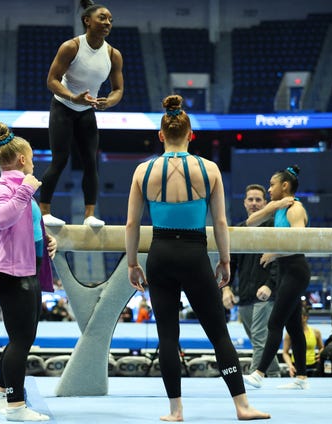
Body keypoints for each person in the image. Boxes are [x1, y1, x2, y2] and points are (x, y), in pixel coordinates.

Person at [125, 94, 269, 421]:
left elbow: (132, 223)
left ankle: (175, 410)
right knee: (218, 332)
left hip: (160, 254)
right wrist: (226, 260)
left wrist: (133, 262)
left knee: (167, 336)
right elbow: (220, 222)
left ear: (161, 135)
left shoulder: (143, 171)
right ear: (191, 135)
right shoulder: (210, 169)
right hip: (194, 254)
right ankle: (242, 406)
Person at [0, 122, 57, 421]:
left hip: (29, 269)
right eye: (33, 160)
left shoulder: (19, 189)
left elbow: (26, 224)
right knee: (21, 341)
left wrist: (45, 238)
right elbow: (2, 219)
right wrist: (27, 187)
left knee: (22, 338)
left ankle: (1, 388)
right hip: (12, 274)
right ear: (23, 160)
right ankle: (15, 405)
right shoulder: (1, 187)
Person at [40, 0, 124, 228]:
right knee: (60, 159)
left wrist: (109, 102)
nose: (108, 23)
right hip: (63, 108)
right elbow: (51, 81)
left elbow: (118, 90)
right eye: (102, 18)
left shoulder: (113, 54)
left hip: (87, 112)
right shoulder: (72, 47)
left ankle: (90, 215)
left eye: (110, 20)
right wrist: (71, 96)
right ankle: (44, 211)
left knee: (90, 162)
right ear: (87, 20)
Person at [243, 164, 312, 390]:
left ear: (285, 185)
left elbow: (300, 241)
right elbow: (250, 222)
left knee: (274, 322)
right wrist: (272, 206)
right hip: (286, 271)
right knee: (293, 327)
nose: (269, 189)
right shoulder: (280, 208)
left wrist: (274, 253)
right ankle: (301, 378)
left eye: (272, 185)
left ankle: (259, 373)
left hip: (295, 270)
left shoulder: (294, 209)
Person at [222, 184, 281, 377]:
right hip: (246, 295)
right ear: (245, 203)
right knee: (259, 340)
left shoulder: (273, 226)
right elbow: (231, 263)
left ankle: (256, 378)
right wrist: (227, 289)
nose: (254, 203)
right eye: (251, 199)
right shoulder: (239, 230)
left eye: (258, 200)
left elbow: (279, 259)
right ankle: (273, 373)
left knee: (259, 337)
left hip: (266, 293)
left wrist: (270, 285)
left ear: (265, 203)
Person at [282, 306, 324, 377]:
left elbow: (322, 348)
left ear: (305, 317)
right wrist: (290, 365)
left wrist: (320, 355)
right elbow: (285, 352)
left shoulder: (316, 332)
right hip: (296, 367)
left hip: (313, 367)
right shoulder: (289, 333)